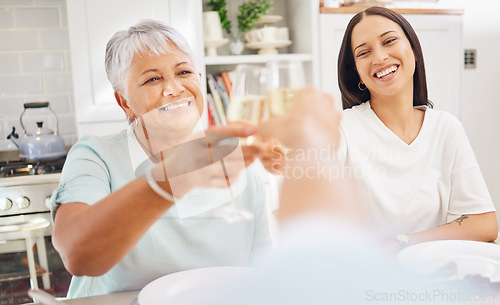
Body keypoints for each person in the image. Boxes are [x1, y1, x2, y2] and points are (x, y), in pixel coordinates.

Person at [50, 20, 277, 298]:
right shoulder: (96, 156)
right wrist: (174, 178)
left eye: (184, 72)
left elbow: (264, 272)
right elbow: (78, 255)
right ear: (125, 103)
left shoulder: (236, 164)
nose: (174, 88)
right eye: (152, 79)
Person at [336, 7, 497, 249]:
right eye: (364, 52)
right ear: (357, 71)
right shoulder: (342, 128)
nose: (379, 58)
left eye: (389, 41)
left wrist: (402, 243)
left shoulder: (446, 128)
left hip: (436, 274)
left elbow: (483, 222)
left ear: (413, 50)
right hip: (367, 276)